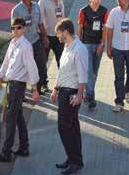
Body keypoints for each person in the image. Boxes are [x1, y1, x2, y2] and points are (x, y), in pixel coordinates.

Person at [0, 17, 40, 162]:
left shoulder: (26, 46)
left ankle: (6, 152)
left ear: (24, 29)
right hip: (11, 84)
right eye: (13, 28)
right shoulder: (13, 42)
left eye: (18, 28)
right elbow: (6, 61)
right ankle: (24, 147)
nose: (15, 30)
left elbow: (31, 67)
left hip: (18, 86)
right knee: (17, 116)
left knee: (10, 118)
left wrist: (34, 89)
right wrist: (0, 76)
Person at [51, 19, 88, 175]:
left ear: (65, 31)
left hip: (72, 94)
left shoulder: (79, 50)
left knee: (64, 127)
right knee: (71, 127)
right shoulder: (66, 46)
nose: (57, 36)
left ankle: (75, 161)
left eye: (58, 33)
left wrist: (79, 95)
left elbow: (83, 76)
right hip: (64, 91)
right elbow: (62, 71)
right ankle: (73, 158)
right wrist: (55, 88)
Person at [11, 0, 48, 93]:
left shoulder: (36, 6)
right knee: (22, 69)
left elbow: (40, 24)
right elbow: (14, 29)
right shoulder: (16, 10)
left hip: (36, 41)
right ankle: (22, 94)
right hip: (23, 43)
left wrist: (45, 38)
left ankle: (37, 89)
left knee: (41, 64)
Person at [78, 0, 108, 109]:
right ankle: (91, 97)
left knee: (94, 72)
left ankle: (87, 93)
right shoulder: (83, 11)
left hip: (98, 45)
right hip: (86, 44)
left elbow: (105, 28)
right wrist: (79, 43)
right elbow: (80, 28)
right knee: (89, 72)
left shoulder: (104, 11)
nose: (96, 1)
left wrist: (102, 44)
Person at [38, 0, 64, 68]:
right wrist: (44, 37)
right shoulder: (43, 2)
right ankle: (42, 81)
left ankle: (62, 81)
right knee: (43, 61)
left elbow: (62, 17)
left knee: (61, 61)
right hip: (47, 36)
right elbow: (39, 21)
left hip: (59, 36)